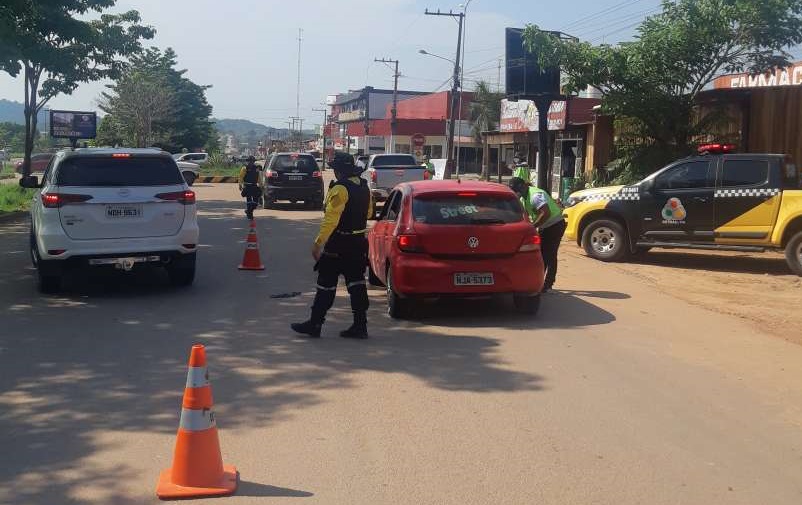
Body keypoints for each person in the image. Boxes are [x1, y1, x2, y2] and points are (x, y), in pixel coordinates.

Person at [292, 151, 374, 339]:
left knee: (326, 285)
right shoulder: (364, 187)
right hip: (358, 242)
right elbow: (369, 214)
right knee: (357, 284)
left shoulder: (340, 189)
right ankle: (360, 326)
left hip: (338, 244)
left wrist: (318, 243)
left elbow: (331, 220)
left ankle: (315, 324)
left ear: (339, 171)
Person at [509, 177, 566, 293]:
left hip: (555, 225)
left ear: (523, 186)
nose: (516, 193)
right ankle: (546, 283)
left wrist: (532, 227)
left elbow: (545, 213)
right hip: (545, 226)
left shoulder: (535, 195)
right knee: (548, 254)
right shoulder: (524, 199)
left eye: (517, 190)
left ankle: (546, 285)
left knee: (547, 255)